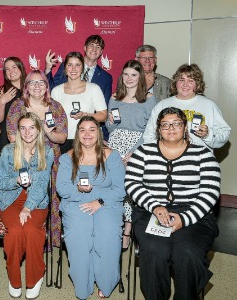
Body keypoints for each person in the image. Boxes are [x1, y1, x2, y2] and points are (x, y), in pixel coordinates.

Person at [125, 107, 221, 300]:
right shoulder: (143, 152)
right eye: (165, 125)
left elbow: (210, 193)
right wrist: (155, 205)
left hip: (195, 215)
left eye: (176, 123)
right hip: (150, 212)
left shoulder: (203, 155)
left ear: (185, 127)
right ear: (158, 129)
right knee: (155, 251)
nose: (171, 128)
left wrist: (184, 219)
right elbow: (132, 183)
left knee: (187, 254)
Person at [56, 116, 126, 299]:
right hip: (76, 202)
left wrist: (99, 202)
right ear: (77, 134)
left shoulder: (112, 155)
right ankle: (83, 285)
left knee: (107, 235)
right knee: (79, 236)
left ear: (99, 132)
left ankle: (106, 281)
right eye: (82, 130)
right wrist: (77, 188)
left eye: (92, 129)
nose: (87, 134)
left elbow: (120, 189)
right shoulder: (67, 158)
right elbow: (62, 188)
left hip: (107, 203)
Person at [7, 70, 68, 246]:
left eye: (41, 82)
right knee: (27, 198)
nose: (37, 86)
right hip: (24, 160)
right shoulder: (18, 107)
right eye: (32, 83)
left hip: (51, 162)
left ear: (47, 87)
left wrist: (49, 133)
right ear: (26, 87)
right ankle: (28, 237)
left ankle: (49, 241)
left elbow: (62, 138)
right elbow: (12, 137)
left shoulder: (55, 107)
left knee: (50, 198)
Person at [0, 112, 54, 299]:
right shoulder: (8, 151)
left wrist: (28, 207)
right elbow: (0, 182)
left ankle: (35, 276)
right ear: (18, 131)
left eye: (31, 127)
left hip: (36, 202)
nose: (27, 132)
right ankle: (14, 278)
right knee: (14, 232)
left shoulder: (46, 152)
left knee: (30, 230)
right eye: (23, 128)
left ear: (39, 130)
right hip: (10, 200)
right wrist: (17, 181)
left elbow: (40, 184)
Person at [106, 60, 157, 250]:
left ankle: (128, 231)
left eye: (133, 75)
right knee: (114, 186)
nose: (129, 78)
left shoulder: (148, 99)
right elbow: (111, 128)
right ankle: (114, 227)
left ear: (140, 77)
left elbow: (151, 130)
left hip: (138, 147)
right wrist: (110, 122)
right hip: (115, 145)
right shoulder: (115, 97)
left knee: (131, 190)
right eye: (126, 74)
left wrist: (134, 150)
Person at [143, 63, 231, 150]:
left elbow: (225, 134)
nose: (185, 84)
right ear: (175, 82)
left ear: (197, 84)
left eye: (190, 81)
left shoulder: (209, 106)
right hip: (169, 159)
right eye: (181, 80)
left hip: (199, 159)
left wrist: (208, 135)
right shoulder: (162, 105)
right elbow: (149, 136)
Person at [45, 35, 112, 140]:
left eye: (98, 47)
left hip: (88, 136)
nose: (94, 49)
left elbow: (104, 111)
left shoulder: (105, 78)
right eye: (91, 46)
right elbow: (53, 89)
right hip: (63, 136)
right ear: (85, 48)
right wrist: (48, 69)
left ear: (101, 51)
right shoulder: (66, 69)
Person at [50, 51, 107, 154]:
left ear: (82, 68)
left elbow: (103, 116)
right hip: (62, 143)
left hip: (87, 140)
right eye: (70, 65)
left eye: (77, 65)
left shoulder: (93, 88)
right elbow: (52, 118)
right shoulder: (56, 91)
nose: (73, 69)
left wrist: (86, 115)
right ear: (65, 68)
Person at [0, 57, 27, 154]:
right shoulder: (1, 91)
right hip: (7, 137)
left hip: (28, 134)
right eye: (7, 69)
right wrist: (2, 102)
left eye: (14, 67)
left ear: (20, 69)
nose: (11, 71)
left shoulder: (31, 89)